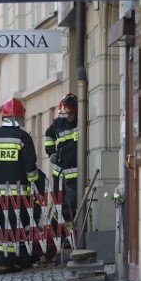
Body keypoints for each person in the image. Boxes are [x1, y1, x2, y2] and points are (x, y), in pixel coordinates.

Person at [0, 97, 39, 273]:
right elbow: (30, 167)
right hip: (16, 194)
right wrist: (34, 185)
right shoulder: (22, 137)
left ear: (3, 116)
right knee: (12, 227)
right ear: (20, 117)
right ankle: (6, 263)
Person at [44, 93, 78, 221]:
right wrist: (51, 153)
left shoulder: (81, 122)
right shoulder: (58, 123)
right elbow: (49, 136)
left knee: (69, 204)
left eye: (71, 114)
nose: (68, 116)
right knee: (59, 204)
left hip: (74, 174)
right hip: (59, 173)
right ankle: (57, 230)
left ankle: (62, 230)